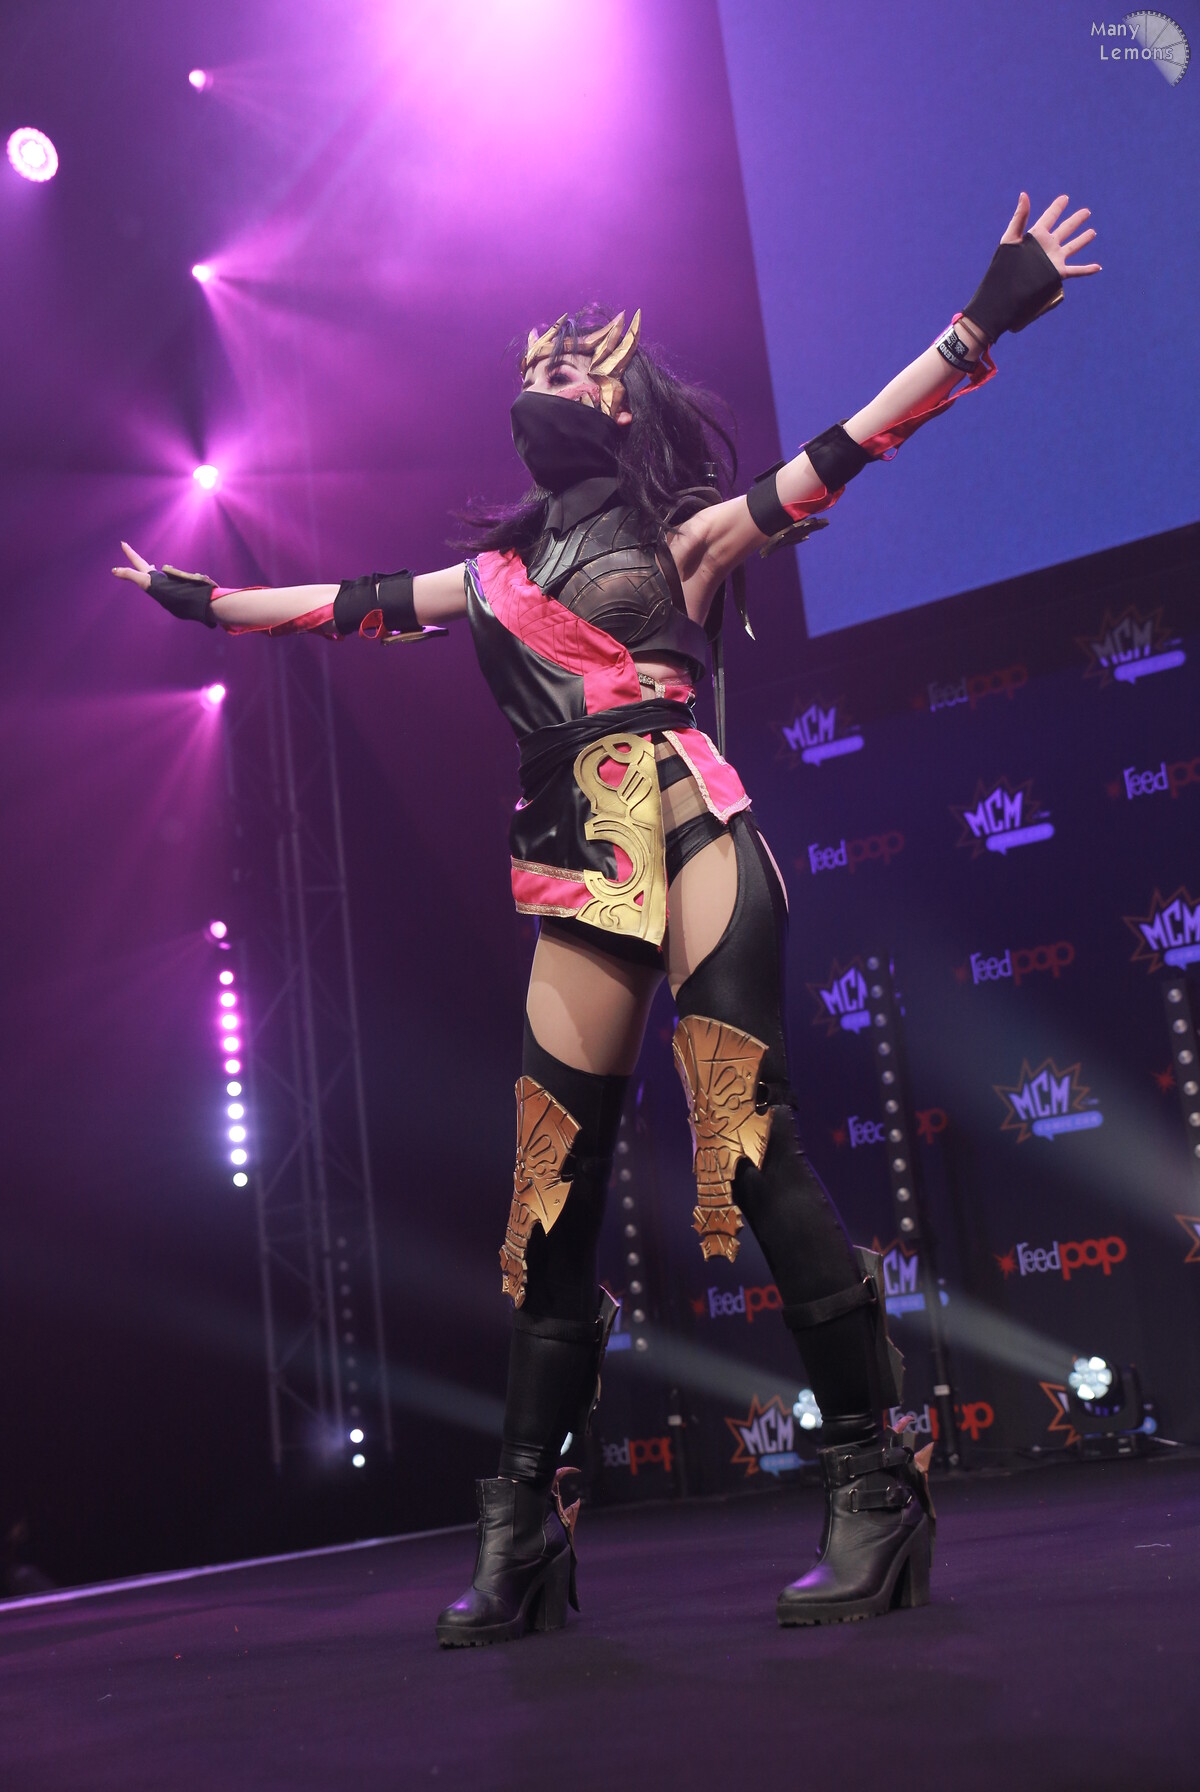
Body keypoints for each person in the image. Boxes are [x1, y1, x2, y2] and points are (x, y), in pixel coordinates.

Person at [114, 192, 1100, 1643]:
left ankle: (875, 1486)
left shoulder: (687, 535)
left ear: (621, 400)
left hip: (693, 825)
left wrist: (981, 321)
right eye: (535, 363)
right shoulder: (490, 580)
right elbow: (349, 602)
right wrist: (202, 603)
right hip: (577, 867)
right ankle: (525, 1534)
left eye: (573, 364)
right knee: (550, 1202)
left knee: (746, 1145)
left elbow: (846, 447)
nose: (546, 376)